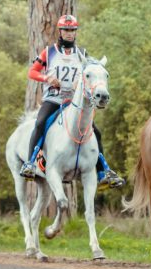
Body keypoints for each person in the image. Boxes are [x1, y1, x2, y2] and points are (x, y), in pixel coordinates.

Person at [19, 15, 125, 189]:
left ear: (75, 32)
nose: (69, 34)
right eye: (66, 30)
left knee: (95, 132)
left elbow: (93, 71)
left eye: (72, 30)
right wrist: (47, 78)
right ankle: (30, 163)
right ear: (60, 31)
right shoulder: (49, 52)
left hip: (74, 101)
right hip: (53, 99)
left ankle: (103, 172)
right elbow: (32, 72)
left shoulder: (82, 54)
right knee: (40, 123)